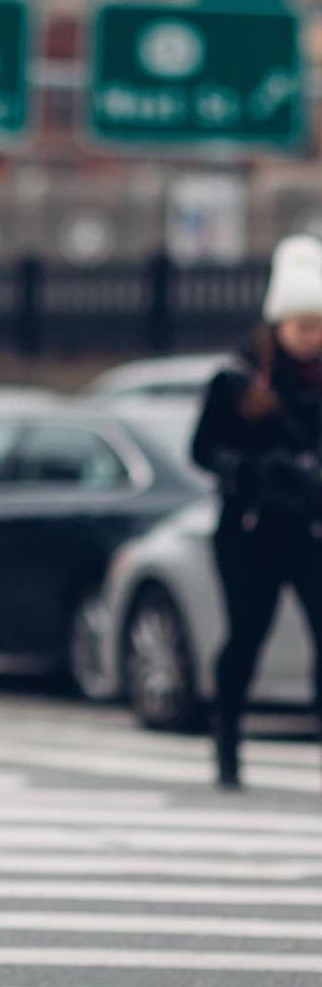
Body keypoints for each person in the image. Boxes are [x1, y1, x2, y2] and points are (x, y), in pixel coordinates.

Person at [192, 234, 322, 789]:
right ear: (278, 325)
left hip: (311, 527)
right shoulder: (237, 379)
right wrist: (251, 470)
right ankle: (227, 745)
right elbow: (201, 450)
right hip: (250, 530)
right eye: (302, 326)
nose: (311, 338)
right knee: (247, 634)